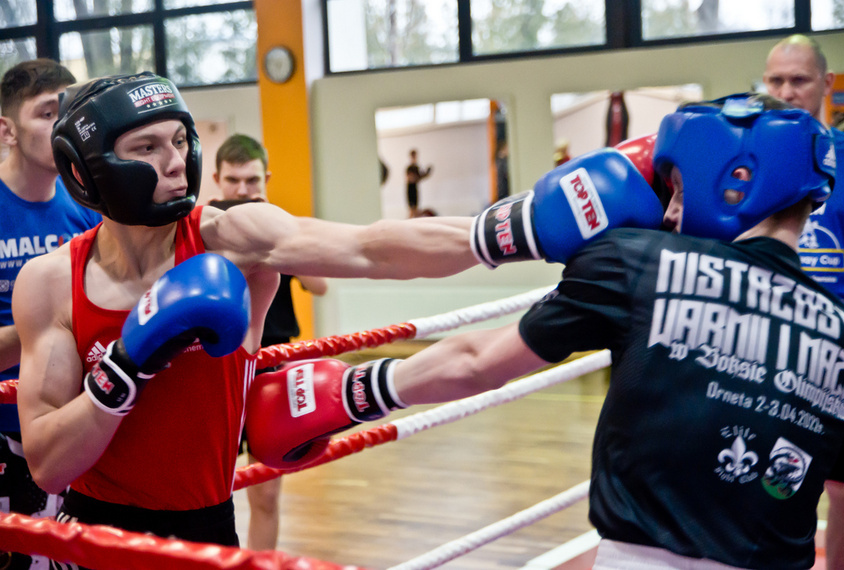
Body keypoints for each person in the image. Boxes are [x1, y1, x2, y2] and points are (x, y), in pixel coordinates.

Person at [15, 70, 643, 557]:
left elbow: (370, 249)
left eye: (180, 140)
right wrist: (127, 366)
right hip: (92, 535)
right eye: (147, 147)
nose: (177, 161)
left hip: (204, 526)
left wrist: (517, 229)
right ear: (88, 170)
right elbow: (47, 463)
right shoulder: (50, 283)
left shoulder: (233, 237)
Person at [250, 94, 844, 569]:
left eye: (677, 188)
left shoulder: (641, 263)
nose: (669, 210)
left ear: (735, 177)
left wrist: (350, 393)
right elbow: (843, 495)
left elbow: (476, 362)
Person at [0, 59, 101, 569]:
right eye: (46, 113)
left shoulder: (90, 208)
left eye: (68, 112)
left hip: (73, 429)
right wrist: (50, 322)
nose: (62, 126)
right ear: (7, 131)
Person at [210, 133, 327, 551]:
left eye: (252, 181)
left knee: (266, 492)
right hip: (216, 368)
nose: (243, 190)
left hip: (270, 369)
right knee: (209, 493)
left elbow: (320, 285)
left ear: (267, 179)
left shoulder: (280, 226)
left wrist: (281, 233)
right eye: (234, 180)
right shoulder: (202, 229)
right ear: (217, 180)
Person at [763, 34, 844, 308]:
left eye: (799, 80)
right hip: (765, 319)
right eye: (776, 81)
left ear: (827, 83)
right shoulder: (744, 162)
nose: (786, 93)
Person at [405, 148, 432, 218]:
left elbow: (419, 177)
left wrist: (427, 173)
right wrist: (418, 177)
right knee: (412, 210)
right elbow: (411, 179)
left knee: (415, 210)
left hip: (415, 188)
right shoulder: (410, 168)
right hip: (410, 189)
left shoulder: (417, 167)